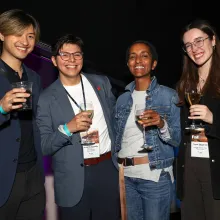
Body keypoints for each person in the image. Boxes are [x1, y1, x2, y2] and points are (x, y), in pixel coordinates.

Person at [36, 34, 120, 220]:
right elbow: (43, 145)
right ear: (54, 60)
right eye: (65, 55)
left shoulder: (101, 83)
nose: (71, 60)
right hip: (71, 177)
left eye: (77, 54)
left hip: (107, 169)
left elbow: (116, 121)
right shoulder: (46, 98)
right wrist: (67, 128)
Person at [114, 40, 181, 220]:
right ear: (128, 63)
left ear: (153, 64)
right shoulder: (122, 100)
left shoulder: (169, 96)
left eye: (144, 56)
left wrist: (161, 124)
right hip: (126, 177)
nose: (138, 61)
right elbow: (117, 139)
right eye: (132, 57)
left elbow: (177, 139)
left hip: (155, 176)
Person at [0, 9, 45, 219]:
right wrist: (1, 109)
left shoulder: (34, 77)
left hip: (33, 177)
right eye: (17, 34)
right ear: (1, 34)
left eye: (30, 36)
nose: (25, 41)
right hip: (3, 180)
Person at [176, 19, 220, 220]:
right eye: (188, 45)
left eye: (199, 41)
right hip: (191, 165)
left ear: (213, 40)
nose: (195, 48)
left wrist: (213, 118)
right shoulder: (187, 83)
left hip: (216, 169)